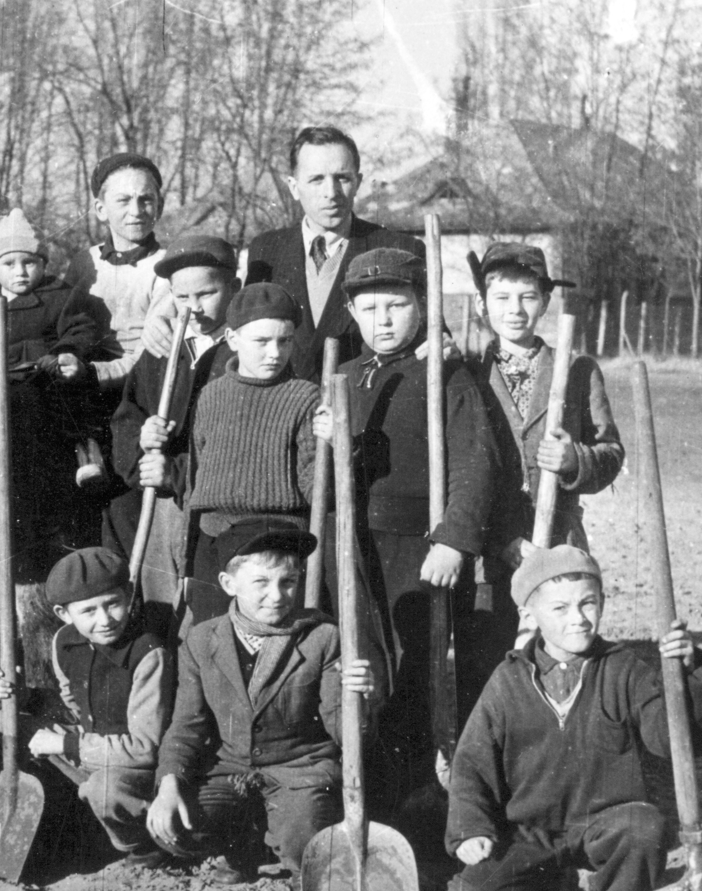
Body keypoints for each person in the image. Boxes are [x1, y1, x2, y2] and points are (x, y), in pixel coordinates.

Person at [309, 247, 495, 813]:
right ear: (352, 313)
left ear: (422, 306)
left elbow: (475, 461)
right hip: (351, 543)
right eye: (368, 309)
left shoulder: (444, 374)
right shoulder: (344, 374)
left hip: (417, 548)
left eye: (396, 305)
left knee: (420, 664)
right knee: (363, 665)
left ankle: (423, 795)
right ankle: (369, 788)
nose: (382, 319)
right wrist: (330, 440)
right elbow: (331, 475)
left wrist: (454, 537)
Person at [447, 546, 702, 891]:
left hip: (605, 822)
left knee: (642, 829)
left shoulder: (623, 669)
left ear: (602, 602)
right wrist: (470, 829)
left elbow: (670, 742)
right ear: (529, 616)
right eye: (560, 608)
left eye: (588, 603)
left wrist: (686, 676)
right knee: (476, 885)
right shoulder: (508, 680)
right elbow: (471, 762)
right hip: (527, 831)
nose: (579, 618)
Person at [146, 520, 377, 884]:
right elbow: (187, 724)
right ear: (228, 584)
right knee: (176, 827)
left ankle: (285, 839)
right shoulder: (201, 640)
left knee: (305, 845)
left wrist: (359, 699)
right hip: (232, 770)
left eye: (288, 582)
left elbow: (343, 732)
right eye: (261, 583)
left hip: (300, 770)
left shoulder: (323, 638)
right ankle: (247, 847)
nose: (278, 595)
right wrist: (169, 783)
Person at [461, 243, 624, 713]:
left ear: (546, 302)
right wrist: (499, 541)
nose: (515, 310)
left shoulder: (575, 369)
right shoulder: (466, 372)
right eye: (502, 297)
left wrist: (574, 459)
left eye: (528, 297)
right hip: (490, 550)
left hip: (558, 541)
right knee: (487, 662)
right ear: (481, 304)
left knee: (562, 657)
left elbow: (611, 453)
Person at [0, 548, 174, 870]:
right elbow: (72, 706)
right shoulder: (65, 641)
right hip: (89, 746)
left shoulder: (148, 654)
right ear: (63, 613)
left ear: (129, 595)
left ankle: (140, 844)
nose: (104, 620)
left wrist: (66, 744)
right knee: (0, 723)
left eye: (113, 604)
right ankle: (70, 815)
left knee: (104, 790)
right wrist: (24, 696)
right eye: (88, 611)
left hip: (130, 768)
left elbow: (145, 749)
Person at [108, 234, 239, 639]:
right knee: (160, 610)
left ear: (233, 287)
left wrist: (177, 472)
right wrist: (141, 439)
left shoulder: (247, 350)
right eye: (182, 297)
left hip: (216, 507)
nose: (194, 307)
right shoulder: (163, 349)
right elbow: (128, 415)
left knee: (208, 616)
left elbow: (240, 443)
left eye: (207, 293)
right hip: (163, 508)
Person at [0, 208, 102, 552]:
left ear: (43, 262)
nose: (21, 272)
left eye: (30, 262)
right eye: (10, 264)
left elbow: (79, 328)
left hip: (43, 379)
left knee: (64, 408)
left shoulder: (59, 295)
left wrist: (67, 352)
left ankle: (86, 455)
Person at [182, 282, 319, 625]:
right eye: (261, 341)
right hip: (215, 540)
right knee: (212, 638)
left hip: (278, 543)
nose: (275, 353)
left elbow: (315, 486)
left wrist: (336, 445)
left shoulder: (305, 397)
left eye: (284, 341)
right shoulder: (211, 396)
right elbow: (196, 475)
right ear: (232, 340)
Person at [244, 125, 426, 380]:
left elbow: (432, 333)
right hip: (283, 410)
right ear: (294, 187)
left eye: (342, 178)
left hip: (362, 406)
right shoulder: (266, 251)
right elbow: (243, 333)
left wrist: (442, 343)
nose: (331, 193)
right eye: (316, 179)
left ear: (358, 182)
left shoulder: (399, 249)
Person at [65, 152, 172, 392]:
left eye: (146, 200)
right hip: (78, 381)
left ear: (160, 206)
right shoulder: (85, 262)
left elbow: (150, 356)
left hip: (137, 388)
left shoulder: (166, 268)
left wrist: (91, 372)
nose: (136, 211)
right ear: (101, 209)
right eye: (123, 200)